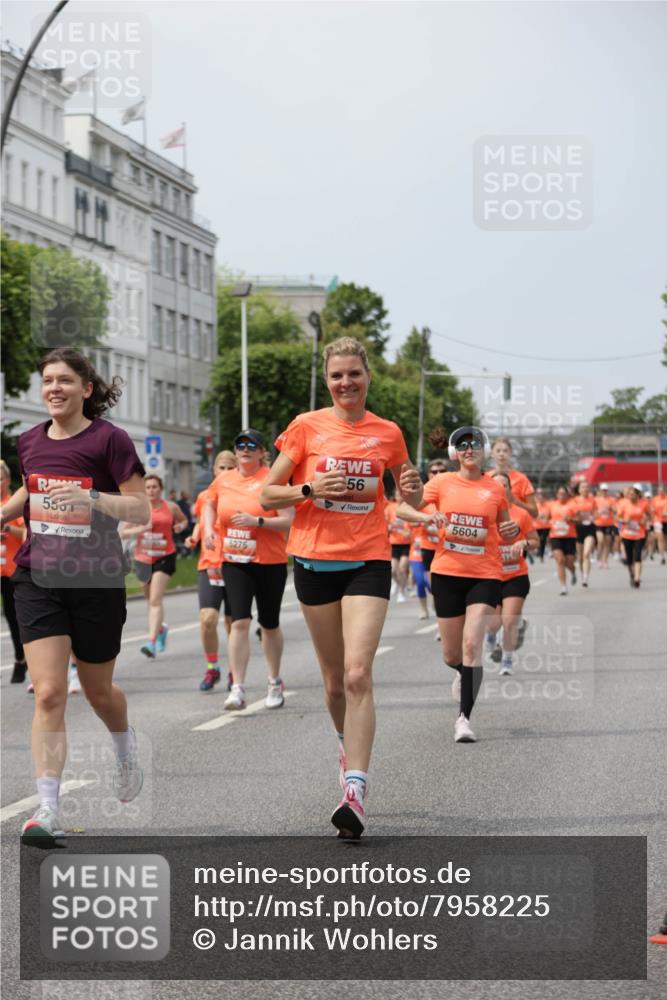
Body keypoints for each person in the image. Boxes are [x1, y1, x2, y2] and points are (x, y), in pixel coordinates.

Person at [260, 337, 423, 838]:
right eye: (337, 375)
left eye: (354, 373)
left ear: (367, 375)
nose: (346, 382)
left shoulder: (389, 433)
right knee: (332, 682)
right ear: (327, 380)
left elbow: (403, 491)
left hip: (367, 559)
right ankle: (343, 739)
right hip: (312, 560)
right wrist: (309, 489)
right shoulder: (307, 428)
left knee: (357, 675)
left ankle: (354, 789)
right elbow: (267, 494)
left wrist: (415, 493)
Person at [0, 347, 149, 847]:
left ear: (87, 389)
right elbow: (32, 490)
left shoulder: (111, 440)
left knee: (99, 690)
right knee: (48, 693)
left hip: (97, 580)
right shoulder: (29, 441)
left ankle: (124, 746)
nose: (53, 389)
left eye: (64, 380)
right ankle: (48, 808)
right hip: (38, 577)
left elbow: (141, 508)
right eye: (46, 381)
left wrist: (91, 499)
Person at [397, 426, 519, 744]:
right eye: (462, 445)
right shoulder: (441, 482)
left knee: (471, 645)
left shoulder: (494, 489)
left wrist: (510, 531)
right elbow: (402, 508)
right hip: (447, 573)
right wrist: (425, 518)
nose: (469, 449)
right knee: (451, 654)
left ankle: (463, 719)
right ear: (454, 452)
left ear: (484, 450)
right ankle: (463, 672)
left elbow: (505, 527)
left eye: (475, 444)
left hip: (485, 574)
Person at [203, 430, 294, 711]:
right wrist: (208, 529)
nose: (244, 449)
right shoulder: (224, 479)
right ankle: (237, 688)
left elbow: (288, 521)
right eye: (239, 444)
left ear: (261, 452)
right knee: (239, 621)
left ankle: (274, 680)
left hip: (270, 561)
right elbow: (209, 501)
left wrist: (257, 521)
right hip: (235, 561)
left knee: (269, 625)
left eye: (251, 445)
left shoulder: (273, 479)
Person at [121, 476, 188, 659]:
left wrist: (180, 527)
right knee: (150, 600)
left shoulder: (171, 507)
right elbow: (123, 532)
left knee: (155, 600)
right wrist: (139, 530)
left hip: (165, 556)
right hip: (143, 558)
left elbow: (183, 521)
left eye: (154, 487)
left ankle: (151, 641)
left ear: (161, 489)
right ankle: (161, 628)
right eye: (148, 487)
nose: (151, 490)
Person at [186, 450, 237, 691]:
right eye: (222, 468)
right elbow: (200, 522)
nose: (226, 472)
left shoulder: (240, 494)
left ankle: (235, 670)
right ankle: (212, 667)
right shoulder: (204, 496)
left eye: (230, 468)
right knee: (207, 619)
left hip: (235, 563)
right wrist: (193, 538)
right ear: (214, 470)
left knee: (232, 624)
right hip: (209, 564)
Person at [483, 470, 538, 676]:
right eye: (495, 485)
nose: (499, 489)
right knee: (493, 624)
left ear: (509, 489)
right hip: (490, 576)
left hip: (516, 575)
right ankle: (490, 636)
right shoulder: (483, 513)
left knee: (509, 620)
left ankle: (506, 661)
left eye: (504, 485)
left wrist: (524, 542)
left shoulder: (521, 514)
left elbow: (535, 541)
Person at [0, 459, 27, 682]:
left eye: (0, 479)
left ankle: (21, 659)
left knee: (13, 617)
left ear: (7, 480)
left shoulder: (13, 504)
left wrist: (7, 527)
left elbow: (26, 533)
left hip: (12, 570)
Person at [489, 437, 537, 517]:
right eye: (498, 451)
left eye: (505, 451)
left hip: (516, 526)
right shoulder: (485, 478)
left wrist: (515, 501)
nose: (501, 454)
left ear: (510, 453)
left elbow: (535, 513)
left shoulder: (522, 479)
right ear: (492, 454)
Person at [617, 484, 650, 588]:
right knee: (630, 558)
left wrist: (645, 520)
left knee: (638, 555)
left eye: (633, 494)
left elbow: (649, 515)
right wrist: (623, 521)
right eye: (629, 494)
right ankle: (632, 574)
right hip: (627, 534)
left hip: (639, 534)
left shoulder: (643, 504)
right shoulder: (623, 505)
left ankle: (637, 578)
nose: (631, 496)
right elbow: (617, 518)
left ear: (637, 495)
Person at [548, 485, 579, 595]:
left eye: (564, 494)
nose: (561, 495)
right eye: (559, 493)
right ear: (556, 495)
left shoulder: (572, 505)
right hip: (555, 536)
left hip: (569, 536)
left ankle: (573, 571)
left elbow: (579, 519)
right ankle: (563, 586)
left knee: (569, 561)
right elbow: (546, 518)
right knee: (560, 560)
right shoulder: (551, 505)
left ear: (567, 495)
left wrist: (570, 518)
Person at [385, 490, 411, 601]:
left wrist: (408, 531)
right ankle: (396, 583)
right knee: (393, 570)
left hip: (406, 543)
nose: (399, 497)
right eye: (397, 495)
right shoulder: (390, 508)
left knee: (402, 567)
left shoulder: (409, 508)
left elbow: (413, 524)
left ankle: (401, 591)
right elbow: (385, 523)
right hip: (393, 543)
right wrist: (390, 526)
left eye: (401, 495)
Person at [574, 481, 597, 587]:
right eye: (583, 487)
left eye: (587, 487)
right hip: (578, 529)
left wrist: (592, 517)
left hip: (590, 529)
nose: (585, 489)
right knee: (580, 557)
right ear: (579, 490)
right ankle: (582, 573)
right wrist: (577, 517)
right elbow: (571, 514)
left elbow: (596, 513)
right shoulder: (575, 500)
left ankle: (585, 577)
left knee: (586, 554)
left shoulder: (593, 500)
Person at [593, 483, 616, 568]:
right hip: (598, 523)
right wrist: (596, 514)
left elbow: (615, 510)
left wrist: (611, 509)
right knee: (600, 540)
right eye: (603, 490)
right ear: (600, 491)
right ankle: (599, 558)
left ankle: (605, 560)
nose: (604, 492)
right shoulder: (596, 500)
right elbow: (592, 510)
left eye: (605, 490)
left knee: (607, 543)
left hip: (608, 523)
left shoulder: (611, 499)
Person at [534, 488, 552, 562]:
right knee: (538, 540)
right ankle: (538, 552)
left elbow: (551, 515)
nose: (540, 497)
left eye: (541, 495)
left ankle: (541, 555)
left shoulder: (548, 505)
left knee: (543, 540)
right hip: (536, 526)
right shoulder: (534, 505)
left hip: (545, 526)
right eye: (538, 495)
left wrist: (548, 518)